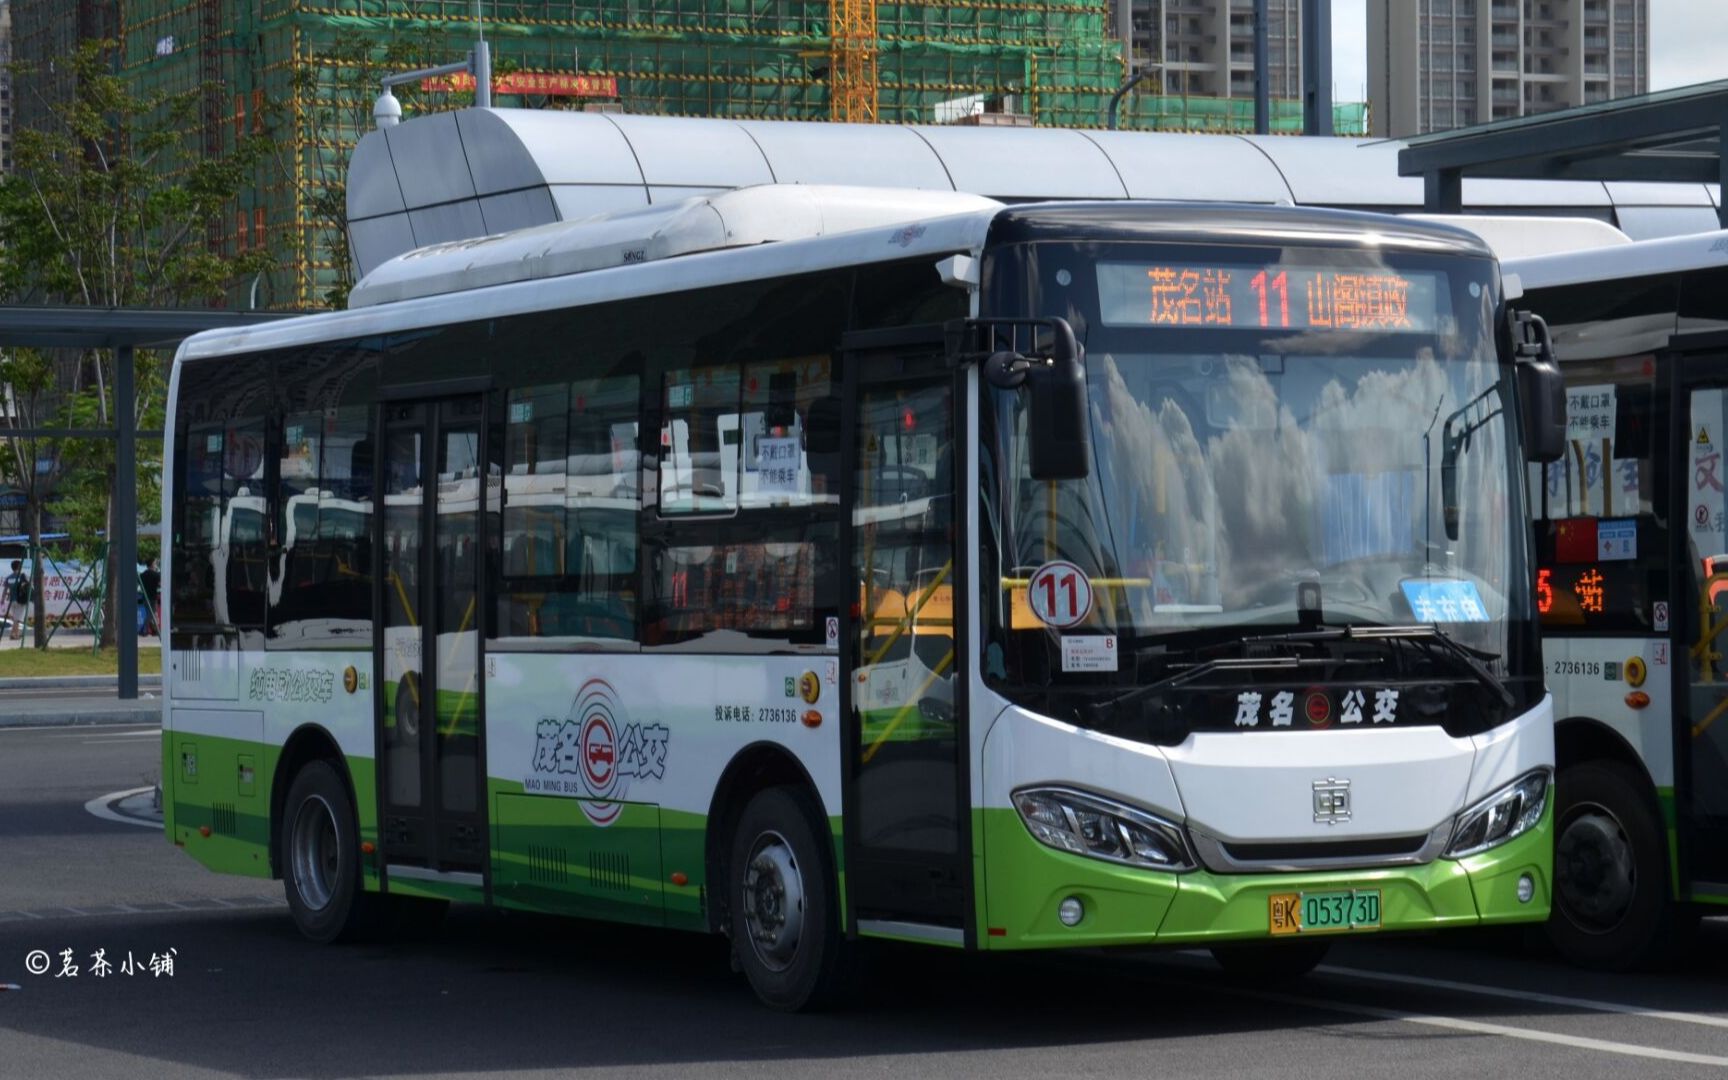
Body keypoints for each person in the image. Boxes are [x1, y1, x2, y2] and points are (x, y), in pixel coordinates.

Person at [4, 559, 28, 641]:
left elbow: (5, 589)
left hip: (11, 600)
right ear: (19, 567)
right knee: (17, 619)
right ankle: (12, 634)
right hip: (20, 600)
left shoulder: (9, 578)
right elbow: (27, 586)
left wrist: (3, 599)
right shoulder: (22, 576)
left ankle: (16, 634)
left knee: (15, 618)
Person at [140, 558, 162, 637]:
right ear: (152, 564)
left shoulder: (142, 575)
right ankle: (144, 629)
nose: (156, 565)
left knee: (152, 614)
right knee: (152, 614)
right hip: (153, 596)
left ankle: (154, 630)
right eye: (155, 563)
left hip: (145, 596)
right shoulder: (156, 575)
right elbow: (160, 584)